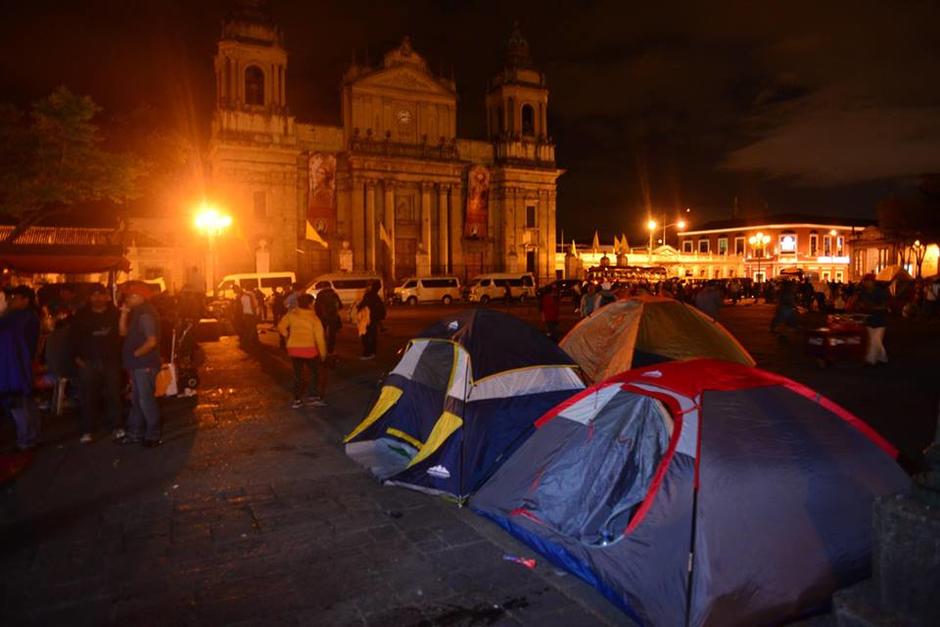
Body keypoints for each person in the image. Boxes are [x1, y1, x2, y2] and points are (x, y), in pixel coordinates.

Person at [72, 284, 123, 444]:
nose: (97, 298)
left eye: (100, 294)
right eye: (93, 295)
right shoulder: (81, 314)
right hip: (88, 362)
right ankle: (87, 430)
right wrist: (76, 358)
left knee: (114, 395)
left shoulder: (115, 314)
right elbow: (73, 338)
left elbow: (122, 336)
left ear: (106, 296)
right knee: (88, 396)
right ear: (89, 297)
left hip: (111, 361)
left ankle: (117, 427)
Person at [118, 282, 162, 447]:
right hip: (137, 365)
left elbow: (151, 341)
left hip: (144, 365)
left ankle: (152, 435)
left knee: (145, 400)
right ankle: (135, 433)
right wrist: (123, 314)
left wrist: (135, 354)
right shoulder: (136, 312)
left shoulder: (145, 314)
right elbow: (122, 333)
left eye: (130, 296)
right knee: (137, 400)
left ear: (140, 297)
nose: (127, 299)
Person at [0, 286, 42, 451]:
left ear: (26, 300)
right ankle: (33, 437)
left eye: (15, 298)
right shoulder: (29, 317)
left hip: (15, 368)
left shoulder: (17, 319)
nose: (12, 301)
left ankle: (26, 440)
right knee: (26, 402)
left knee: (19, 404)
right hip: (22, 365)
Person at [277, 293, 328, 408]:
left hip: (294, 349)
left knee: (297, 374)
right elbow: (320, 338)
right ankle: (313, 397)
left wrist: (287, 335)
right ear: (310, 304)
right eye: (313, 303)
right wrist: (323, 354)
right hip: (309, 349)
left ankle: (296, 400)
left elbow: (280, 326)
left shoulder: (291, 314)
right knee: (315, 373)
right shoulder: (314, 318)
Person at [859, 274, 889, 366]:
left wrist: (871, 307)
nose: (865, 283)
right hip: (870, 320)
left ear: (872, 282)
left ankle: (870, 360)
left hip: (880, 320)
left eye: (867, 281)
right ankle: (883, 358)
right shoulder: (863, 292)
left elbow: (884, 306)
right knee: (875, 340)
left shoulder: (879, 292)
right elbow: (861, 304)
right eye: (864, 281)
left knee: (875, 340)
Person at [356, 281, 385, 360]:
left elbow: (362, 305)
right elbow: (381, 310)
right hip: (373, 320)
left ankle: (367, 353)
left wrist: (358, 308)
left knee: (366, 337)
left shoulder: (368, 295)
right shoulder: (377, 297)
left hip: (367, 320)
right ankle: (373, 352)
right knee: (373, 337)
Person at [314, 286, 342, 356]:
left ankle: (321, 349)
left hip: (322, 317)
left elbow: (316, 307)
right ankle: (330, 350)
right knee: (332, 335)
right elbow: (341, 306)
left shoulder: (320, 296)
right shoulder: (334, 295)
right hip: (333, 317)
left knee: (321, 334)